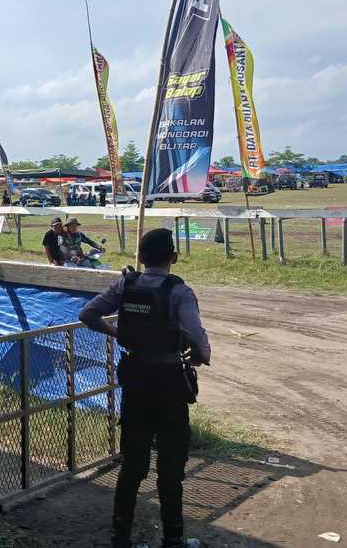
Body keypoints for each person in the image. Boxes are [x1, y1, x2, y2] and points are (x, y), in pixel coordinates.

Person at [78, 228, 211, 548]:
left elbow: (88, 314)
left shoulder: (126, 284)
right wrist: (199, 355)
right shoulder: (179, 292)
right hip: (168, 385)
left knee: (132, 465)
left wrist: (118, 333)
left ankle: (120, 537)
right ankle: (173, 540)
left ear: (140, 256)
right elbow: (199, 341)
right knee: (170, 468)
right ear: (173, 257)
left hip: (136, 381)